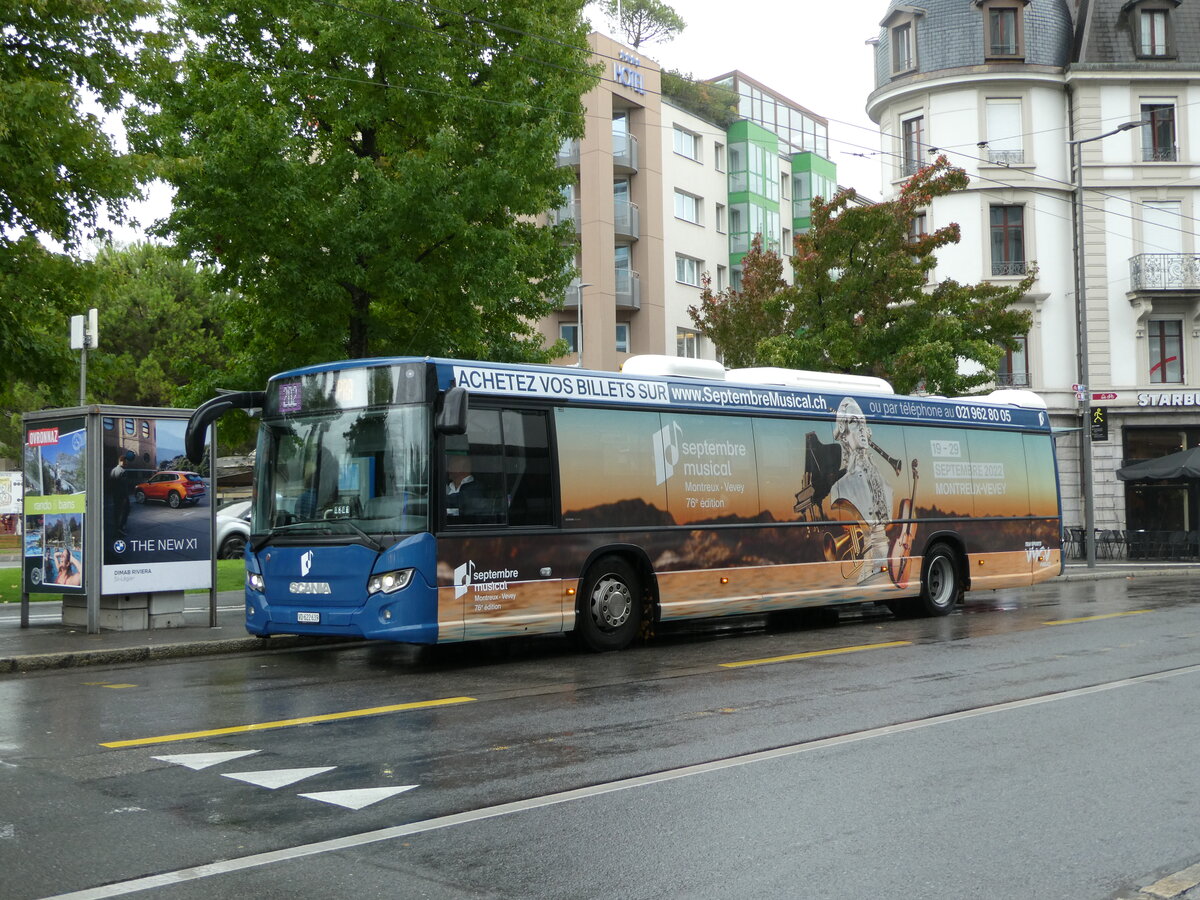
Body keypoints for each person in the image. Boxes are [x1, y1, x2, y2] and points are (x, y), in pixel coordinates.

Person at [830, 397, 894, 585]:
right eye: (853, 422)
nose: (861, 429)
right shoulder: (841, 488)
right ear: (844, 434)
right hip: (869, 570)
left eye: (863, 422)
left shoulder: (885, 484)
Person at [445, 448, 491, 520]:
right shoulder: (447, 486)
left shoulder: (476, 489)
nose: (448, 468)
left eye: (451, 465)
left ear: (461, 469)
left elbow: (459, 500)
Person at [108, 450, 134, 537]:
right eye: (125, 461)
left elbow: (110, 483)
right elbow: (124, 486)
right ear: (121, 461)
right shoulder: (123, 471)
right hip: (122, 496)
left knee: (116, 512)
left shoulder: (113, 470)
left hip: (115, 495)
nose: (126, 463)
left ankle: (116, 528)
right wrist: (126, 498)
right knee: (126, 510)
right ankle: (121, 527)